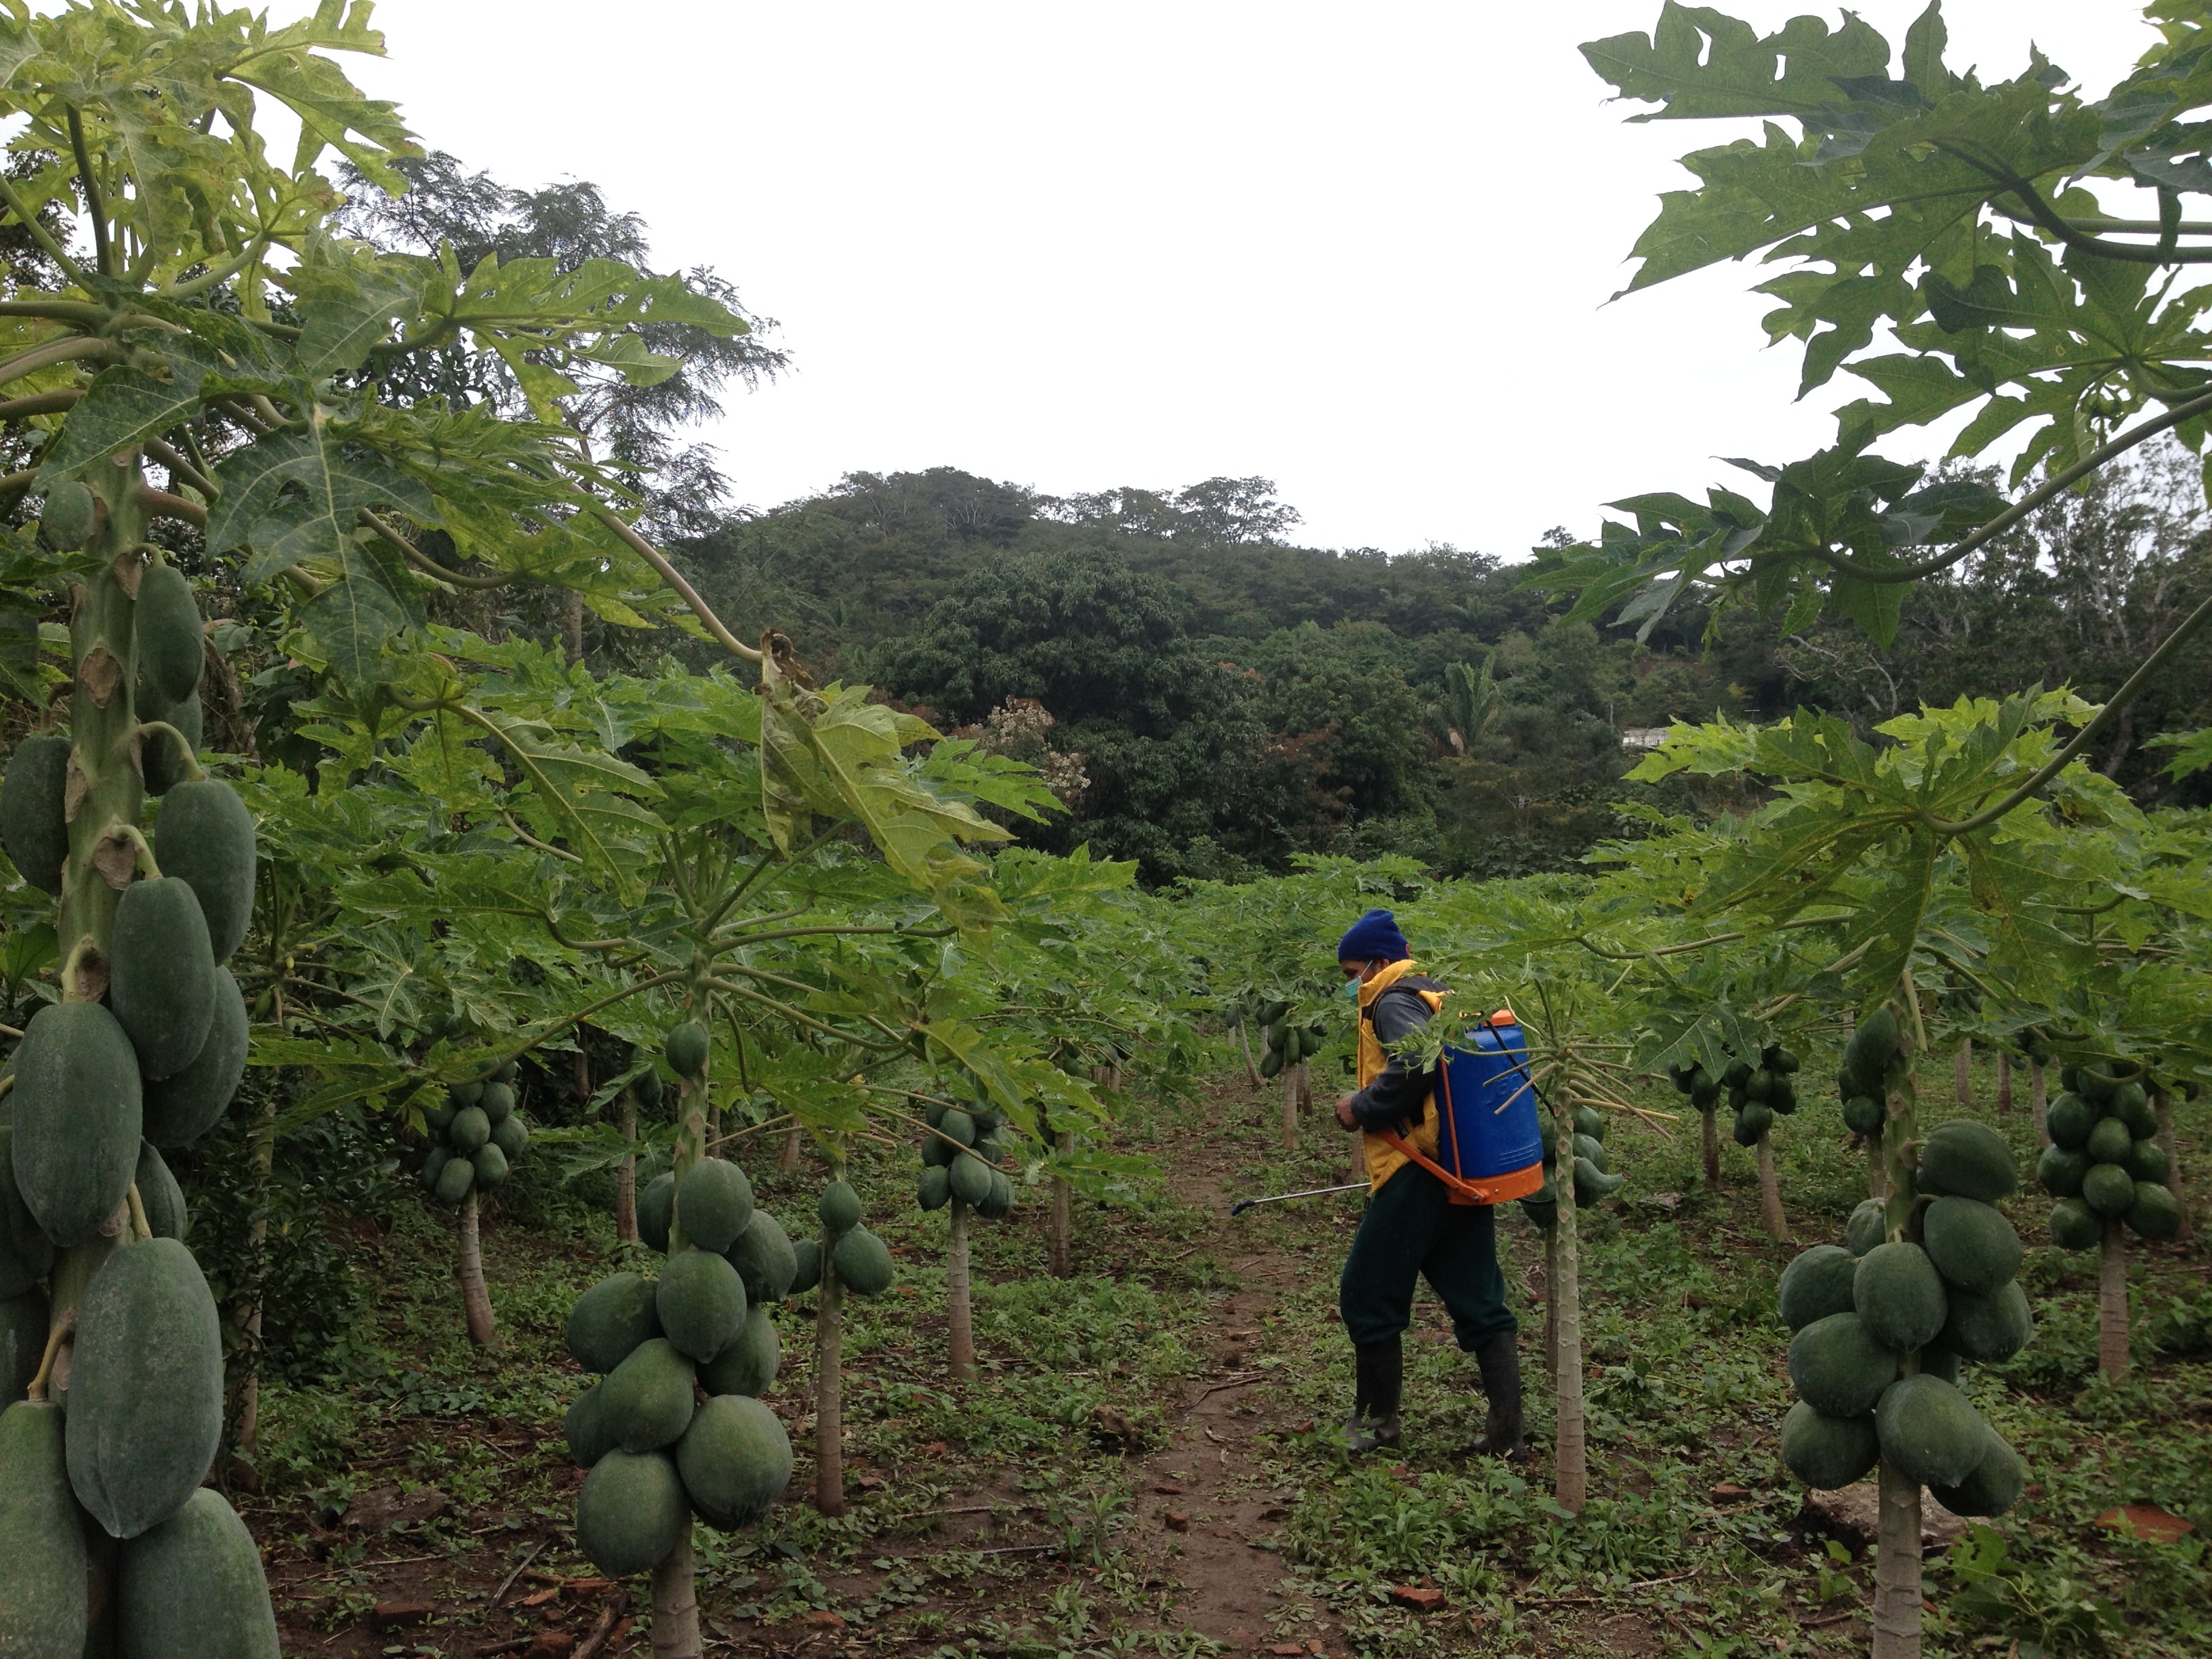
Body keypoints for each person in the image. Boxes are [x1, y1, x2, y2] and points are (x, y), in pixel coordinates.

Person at [1331, 907, 1524, 1457]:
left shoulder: (1392, 1000)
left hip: (1415, 1169)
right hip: (1461, 1165)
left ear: (1379, 963)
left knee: (1367, 1293)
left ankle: (1378, 1426)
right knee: (1479, 1297)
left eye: (1353, 973)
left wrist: (1361, 1107)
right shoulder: (1434, 991)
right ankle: (1507, 1435)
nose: (1352, 984)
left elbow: (1415, 1064)